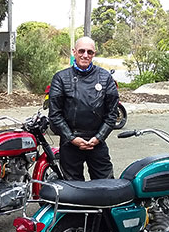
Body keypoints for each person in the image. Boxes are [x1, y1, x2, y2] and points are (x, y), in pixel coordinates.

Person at [48, 36, 119, 181]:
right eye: (81, 51)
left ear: (94, 53)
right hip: (70, 143)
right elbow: (55, 115)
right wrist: (72, 138)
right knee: (74, 192)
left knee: (106, 188)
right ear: (74, 52)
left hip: (97, 142)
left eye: (90, 52)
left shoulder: (105, 77)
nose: (85, 55)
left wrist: (99, 137)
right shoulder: (60, 78)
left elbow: (112, 113)